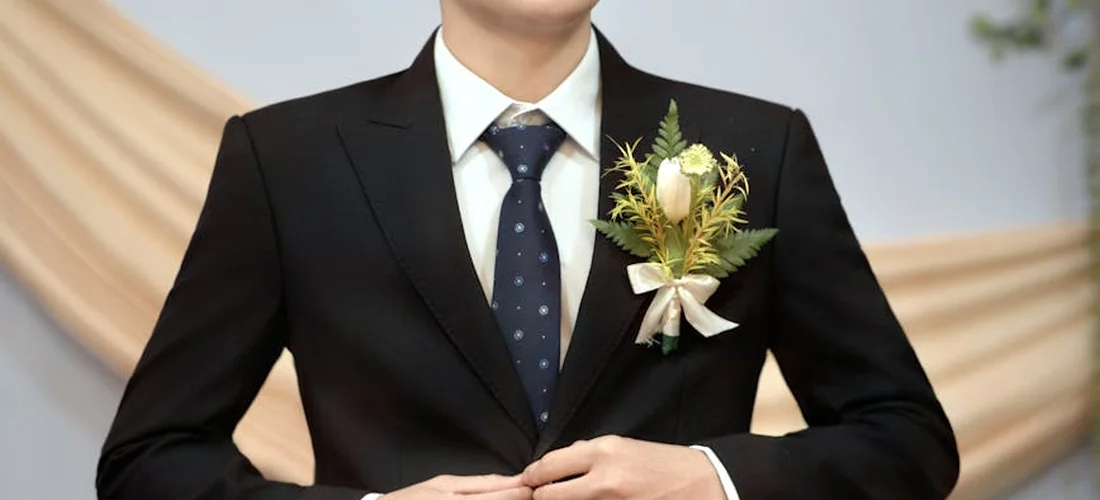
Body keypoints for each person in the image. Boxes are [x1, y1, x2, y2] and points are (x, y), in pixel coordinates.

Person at [96, 0, 960, 498]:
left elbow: (907, 439)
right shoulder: (289, 160)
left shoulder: (749, 149)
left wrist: (712, 479)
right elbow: (150, 460)